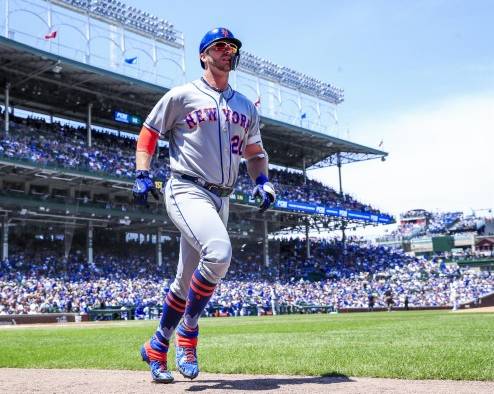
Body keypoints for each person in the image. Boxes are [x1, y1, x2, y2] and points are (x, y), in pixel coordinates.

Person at [133, 27, 276, 384]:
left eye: (233, 46)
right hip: (186, 188)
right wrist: (142, 171)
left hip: (221, 197)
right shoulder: (182, 95)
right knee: (219, 252)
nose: (229, 51)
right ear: (203, 55)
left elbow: (255, 153)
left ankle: (156, 344)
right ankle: (189, 332)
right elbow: (149, 132)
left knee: (185, 281)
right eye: (221, 46)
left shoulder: (245, 106)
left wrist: (263, 180)